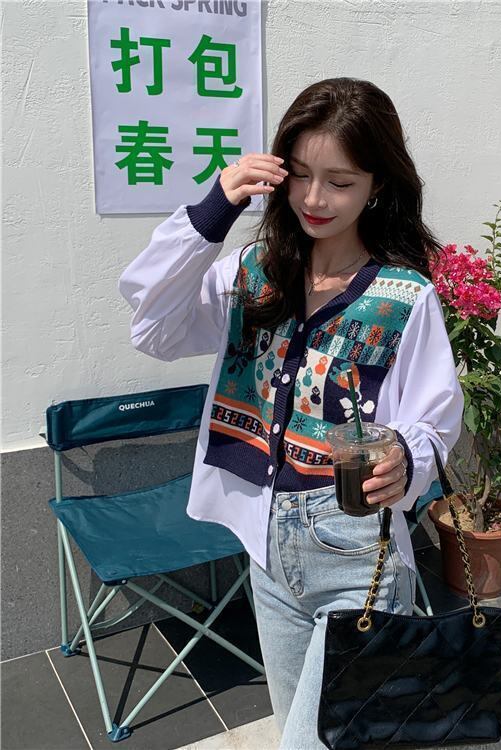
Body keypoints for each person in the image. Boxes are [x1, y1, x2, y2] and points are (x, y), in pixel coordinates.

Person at [119, 77, 464, 749]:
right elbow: (153, 328)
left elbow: (434, 420)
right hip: (268, 555)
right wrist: (213, 210)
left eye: (340, 182)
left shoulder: (404, 297)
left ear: (376, 187)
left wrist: (407, 457)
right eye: (301, 174)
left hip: (359, 555)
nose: (313, 198)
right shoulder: (252, 273)